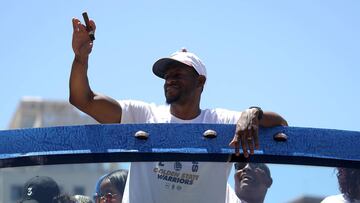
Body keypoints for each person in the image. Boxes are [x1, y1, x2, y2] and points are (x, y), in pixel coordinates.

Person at [70, 16, 288, 203]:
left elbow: (281, 125)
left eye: (178, 75)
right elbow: (84, 100)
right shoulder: (144, 115)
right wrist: (81, 57)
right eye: (166, 76)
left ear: (200, 82)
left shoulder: (219, 121)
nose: (169, 81)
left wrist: (252, 113)